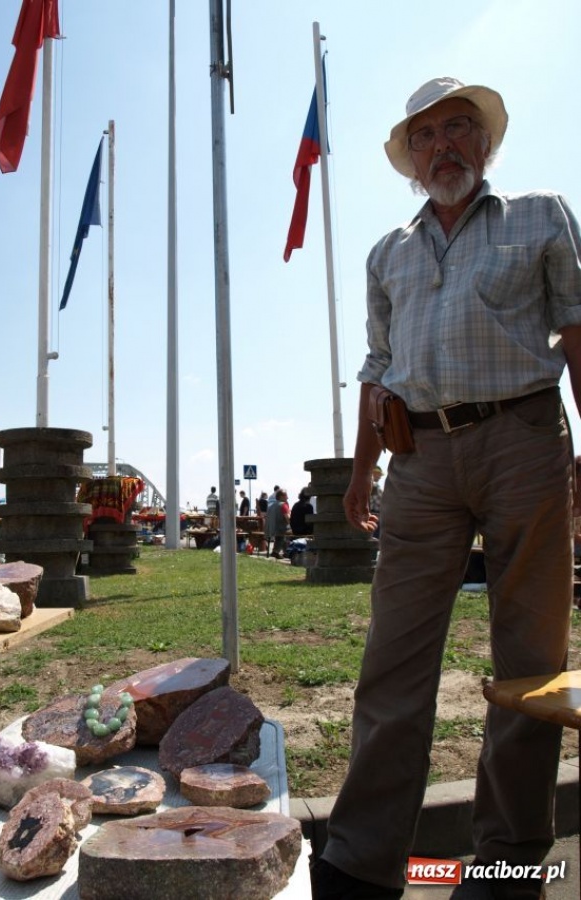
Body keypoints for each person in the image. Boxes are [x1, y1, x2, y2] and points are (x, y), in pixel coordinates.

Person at [312, 76, 581, 900]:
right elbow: (374, 371)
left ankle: (505, 862)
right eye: (425, 136)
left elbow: (574, 330)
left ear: (485, 144)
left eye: (459, 128)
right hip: (418, 462)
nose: (444, 146)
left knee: (528, 665)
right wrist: (362, 470)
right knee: (391, 661)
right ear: (410, 159)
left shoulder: (539, 213)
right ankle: (360, 859)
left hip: (524, 442)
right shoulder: (386, 252)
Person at [265, 488, 290, 558]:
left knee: (282, 535)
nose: (288, 497)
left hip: (270, 529)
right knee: (288, 533)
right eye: (286, 496)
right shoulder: (283, 505)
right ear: (281, 496)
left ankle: (284, 552)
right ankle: (278, 552)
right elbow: (288, 519)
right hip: (279, 529)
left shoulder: (271, 505)